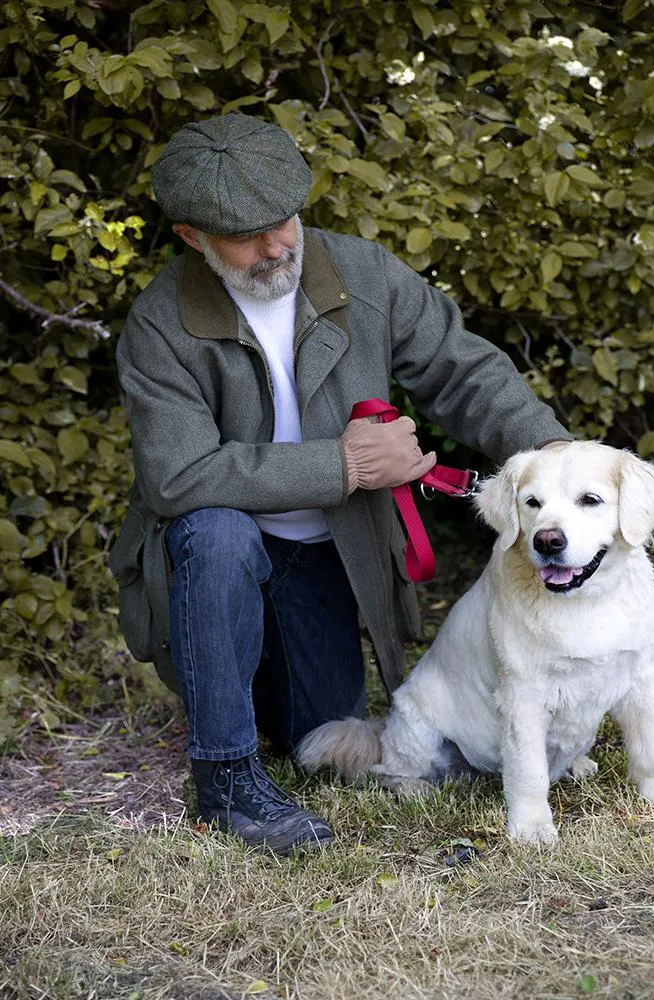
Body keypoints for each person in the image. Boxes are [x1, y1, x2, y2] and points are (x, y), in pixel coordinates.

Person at [110, 113, 571, 855]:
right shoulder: (159, 323)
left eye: (283, 220)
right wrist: (347, 465)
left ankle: (245, 694)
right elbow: (178, 475)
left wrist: (552, 451)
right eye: (245, 234)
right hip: (221, 556)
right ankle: (223, 777)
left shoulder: (361, 271)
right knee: (214, 529)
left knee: (317, 738)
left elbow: (462, 369)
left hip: (329, 554)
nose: (276, 245)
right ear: (192, 236)